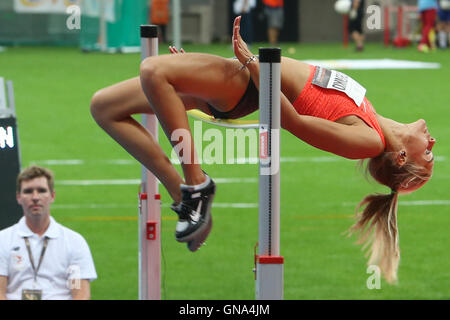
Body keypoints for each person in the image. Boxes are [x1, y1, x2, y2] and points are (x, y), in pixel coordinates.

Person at [90, 16, 435, 282]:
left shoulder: (369, 141)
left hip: (244, 82)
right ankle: (182, 193)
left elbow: (294, 122)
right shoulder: (374, 118)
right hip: (241, 74)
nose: (432, 142)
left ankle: (196, 185)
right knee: (104, 107)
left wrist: (257, 67)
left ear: (402, 157)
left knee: (152, 70)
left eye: (429, 153)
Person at [0, 166, 97, 300]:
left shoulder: (74, 242)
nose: (35, 197)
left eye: (41, 191)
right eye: (28, 191)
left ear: (52, 195)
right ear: (18, 197)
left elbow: (80, 294)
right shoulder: (3, 240)